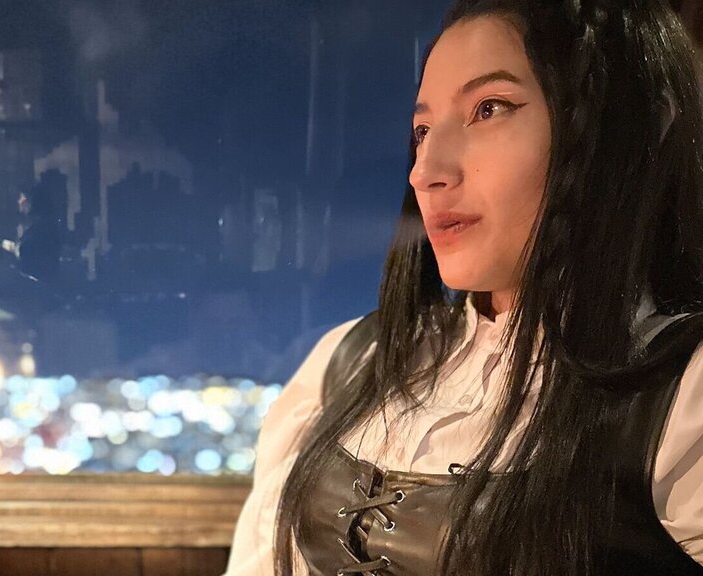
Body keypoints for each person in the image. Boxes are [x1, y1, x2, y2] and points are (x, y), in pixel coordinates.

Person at [225, 1, 703, 575]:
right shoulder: (354, 359)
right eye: (422, 130)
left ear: (625, 127)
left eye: (488, 108)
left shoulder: (678, 392)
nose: (425, 171)